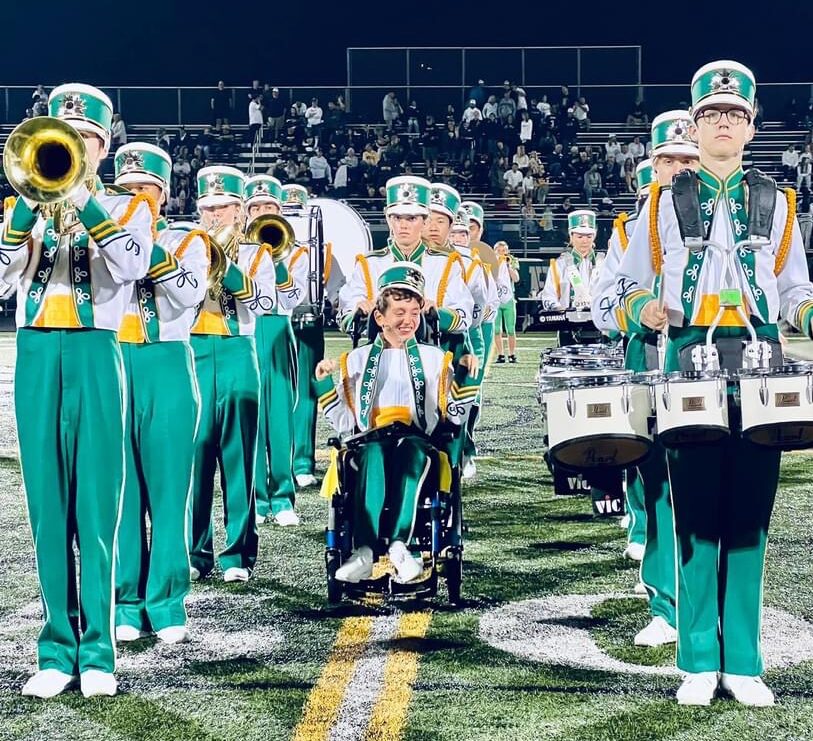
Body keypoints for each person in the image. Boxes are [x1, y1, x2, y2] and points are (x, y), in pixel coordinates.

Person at [616, 60, 813, 707]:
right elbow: (629, 281)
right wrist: (643, 304)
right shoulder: (659, 201)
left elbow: (793, 290)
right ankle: (698, 658)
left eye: (733, 114)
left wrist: (808, 311)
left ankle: (744, 662)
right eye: (711, 115)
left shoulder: (778, 202)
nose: (722, 123)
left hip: (758, 358)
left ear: (750, 127)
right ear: (695, 126)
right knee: (695, 513)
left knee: (750, 514)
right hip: (684, 355)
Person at [0, 83, 154, 698]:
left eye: (86, 140)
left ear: (103, 145)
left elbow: (134, 266)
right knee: (47, 509)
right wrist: (24, 210)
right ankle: (55, 648)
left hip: (97, 351)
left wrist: (85, 203)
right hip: (36, 351)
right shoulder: (20, 203)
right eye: (67, 139)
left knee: (97, 507)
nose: (76, 150)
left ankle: (98, 654)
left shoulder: (127, 207)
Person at [316, 263, 476, 583]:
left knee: (410, 452)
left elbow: (453, 416)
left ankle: (400, 548)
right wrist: (324, 386)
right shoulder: (356, 361)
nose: (408, 321)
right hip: (369, 442)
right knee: (372, 455)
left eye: (414, 312)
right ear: (380, 317)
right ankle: (363, 551)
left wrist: (463, 380)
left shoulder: (435, 359)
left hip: (417, 441)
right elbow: (347, 423)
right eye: (399, 312)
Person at [112, 143, 209, 647]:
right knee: (122, 493)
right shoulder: (101, 235)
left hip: (168, 365)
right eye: (126, 191)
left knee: (171, 493)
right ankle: (126, 600)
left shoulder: (188, 237)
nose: (137, 198)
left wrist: (140, 248)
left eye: (146, 190)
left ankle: (167, 599)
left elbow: (191, 292)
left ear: (166, 194)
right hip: (115, 361)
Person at [188, 166, 278, 584]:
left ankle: (237, 554)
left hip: (238, 351)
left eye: (223, 208)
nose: (214, 216)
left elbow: (262, 305)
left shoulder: (259, 253)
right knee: (195, 456)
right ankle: (195, 551)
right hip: (193, 351)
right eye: (207, 208)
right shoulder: (186, 246)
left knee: (239, 457)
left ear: (240, 211)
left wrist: (225, 263)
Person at [245, 178, 308, 527]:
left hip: (278, 330)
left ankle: (283, 497)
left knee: (281, 417)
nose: (262, 213)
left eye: (268, 208)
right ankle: (257, 498)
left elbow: (290, 299)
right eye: (255, 208)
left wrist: (276, 256)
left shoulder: (296, 252)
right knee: (251, 418)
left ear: (279, 212)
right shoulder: (236, 250)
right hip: (247, 331)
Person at [493, 241, 519, 363]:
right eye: (499, 251)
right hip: (495, 300)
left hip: (508, 299)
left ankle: (512, 354)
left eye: (504, 251)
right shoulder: (491, 262)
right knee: (497, 330)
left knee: (510, 329)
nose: (502, 253)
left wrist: (508, 266)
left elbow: (516, 278)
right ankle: (500, 354)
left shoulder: (511, 261)